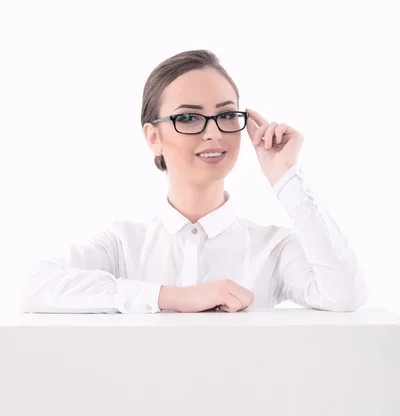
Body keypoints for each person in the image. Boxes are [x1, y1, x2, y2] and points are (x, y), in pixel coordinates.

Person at [20, 49, 368, 315]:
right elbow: (35, 287)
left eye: (226, 114)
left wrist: (285, 176)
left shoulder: (271, 249)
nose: (214, 131)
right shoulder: (124, 244)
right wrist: (171, 297)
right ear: (153, 137)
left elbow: (346, 294)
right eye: (188, 117)